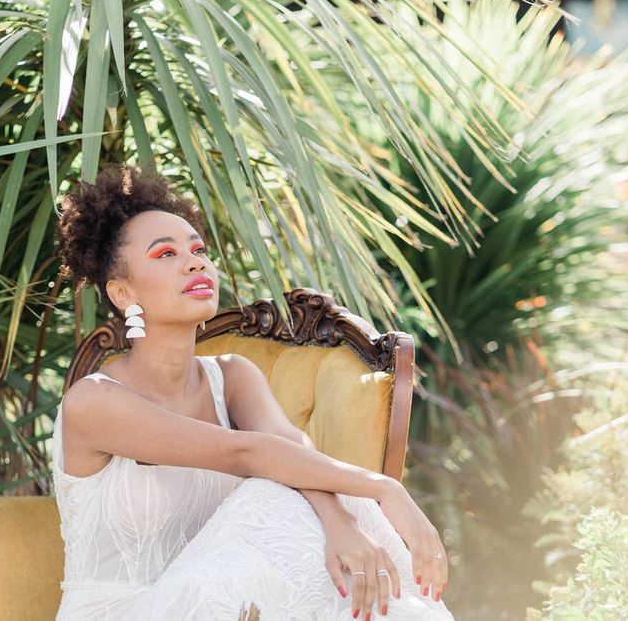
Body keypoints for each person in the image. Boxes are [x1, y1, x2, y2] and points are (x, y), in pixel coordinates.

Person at [51, 163, 455, 621]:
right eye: (165, 254)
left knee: (297, 490)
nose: (195, 262)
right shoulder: (93, 401)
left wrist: (340, 521)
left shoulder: (233, 376)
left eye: (198, 249)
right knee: (270, 491)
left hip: (222, 606)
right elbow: (244, 453)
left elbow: (289, 448)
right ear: (123, 293)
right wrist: (383, 488)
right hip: (121, 610)